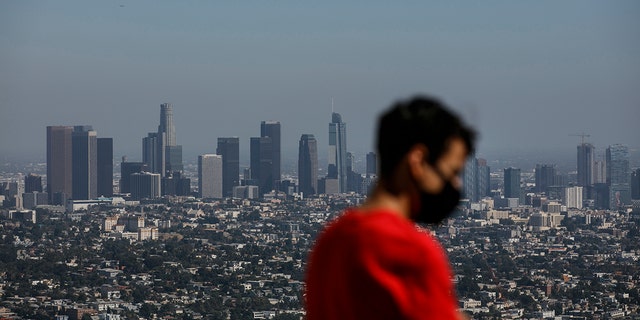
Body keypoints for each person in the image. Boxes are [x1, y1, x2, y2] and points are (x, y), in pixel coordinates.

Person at [305, 95, 475, 320]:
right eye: (452, 172)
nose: (455, 185)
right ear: (418, 161)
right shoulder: (412, 253)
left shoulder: (329, 242)